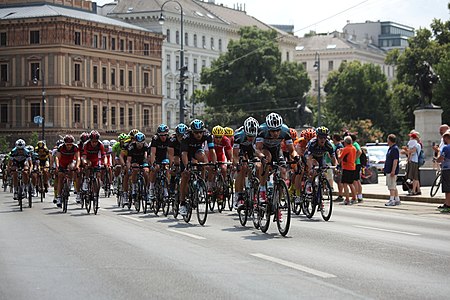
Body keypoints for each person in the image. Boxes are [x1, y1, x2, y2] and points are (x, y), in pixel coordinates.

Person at [338, 136, 357, 205]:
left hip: (346, 167)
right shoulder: (353, 148)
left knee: (345, 184)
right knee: (351, 183)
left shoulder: (346, 149)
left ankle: (347, 199)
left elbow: (340, 158)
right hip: (352, 167)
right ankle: (354, 198)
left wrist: (338, 152)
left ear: (345, 142)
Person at [384, 134, 400, 206]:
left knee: (391, 186)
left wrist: (393, 170)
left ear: (390, 140)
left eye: (387, 139)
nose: (387, 141)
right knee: (393, 185)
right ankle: (397, 199)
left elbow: (395, 160)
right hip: (388, 170)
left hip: (391, 171)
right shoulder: (390, 148)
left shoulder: (395, 149)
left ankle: (391, 200)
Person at [436, 130, 450, 212]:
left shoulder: (446, 147)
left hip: (447, 168)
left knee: (447, 188)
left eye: (444, 138)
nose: (443, 140)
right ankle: (446, 203)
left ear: (447, 138)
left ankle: (448, 205)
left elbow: (441, 159)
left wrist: (437, 160)